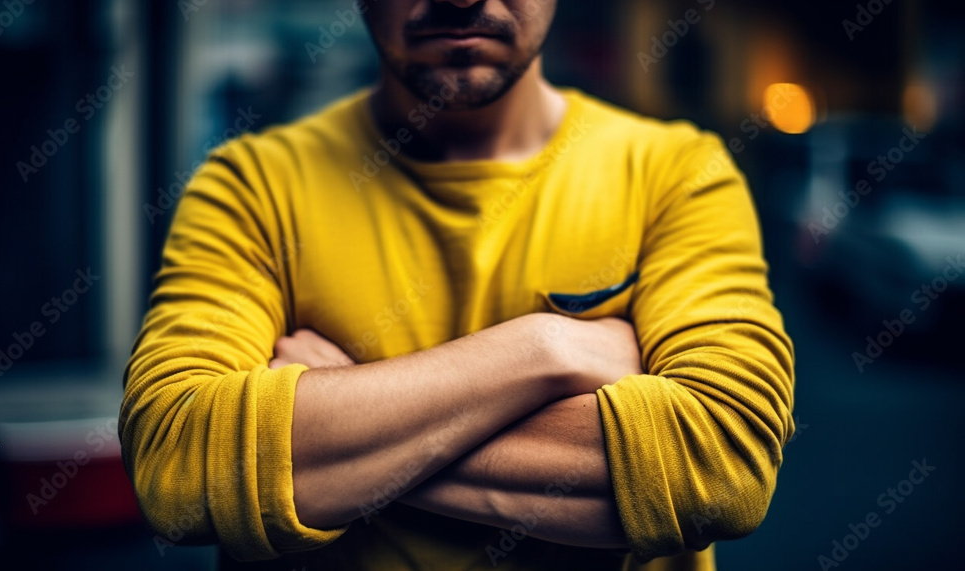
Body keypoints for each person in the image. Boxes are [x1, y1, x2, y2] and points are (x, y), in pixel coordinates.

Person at [119, 1, 796, 569]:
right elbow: (179, 467)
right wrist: (547, 350)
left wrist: (341, 430)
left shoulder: (678, 174)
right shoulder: (250, 187)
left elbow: (720, 464)